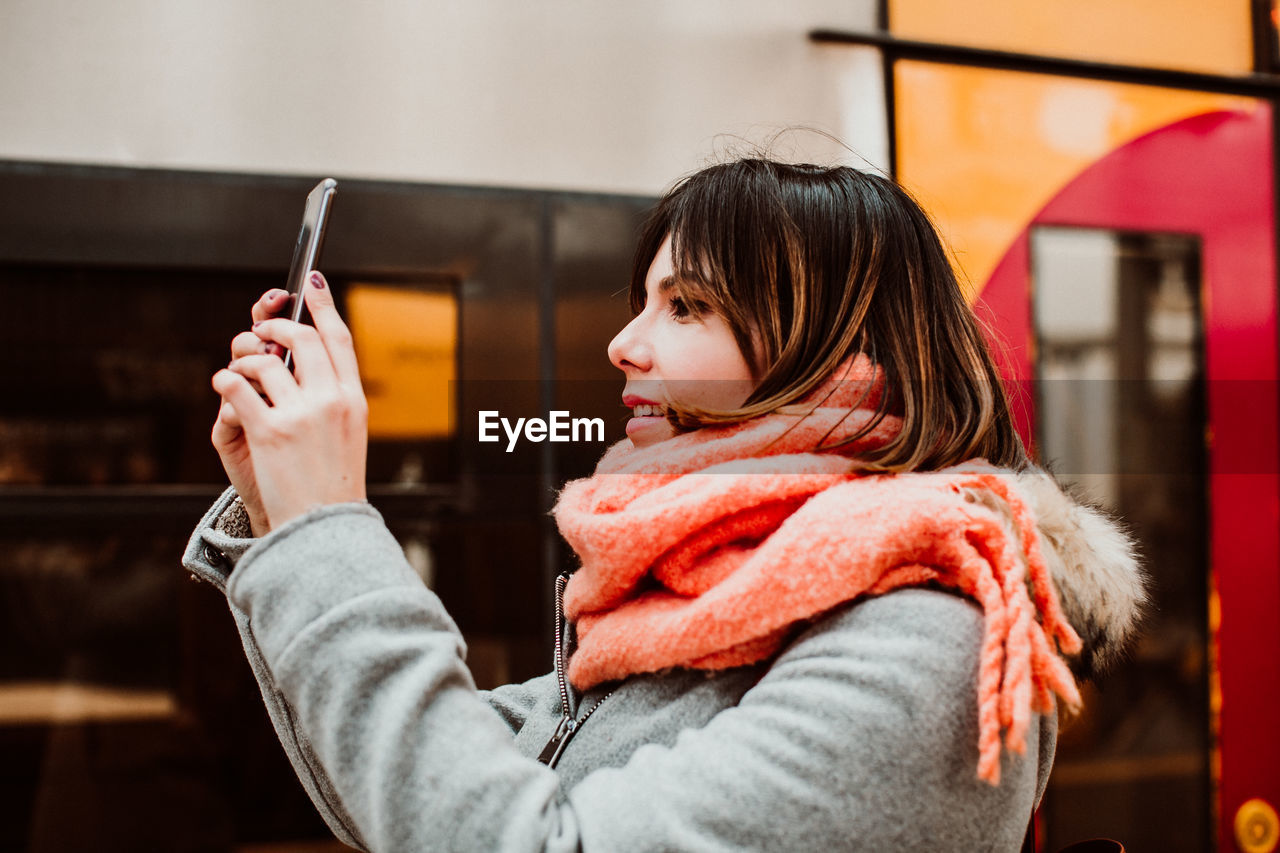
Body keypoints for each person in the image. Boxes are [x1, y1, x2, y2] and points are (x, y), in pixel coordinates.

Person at [183, 159, 1145, 852]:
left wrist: (331, 528)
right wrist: (283, 514)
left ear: (842, 352)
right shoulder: (694, 608)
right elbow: (408, 798)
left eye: (687, 307)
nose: (625, 344)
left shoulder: (936, 638)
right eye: (644, 299)